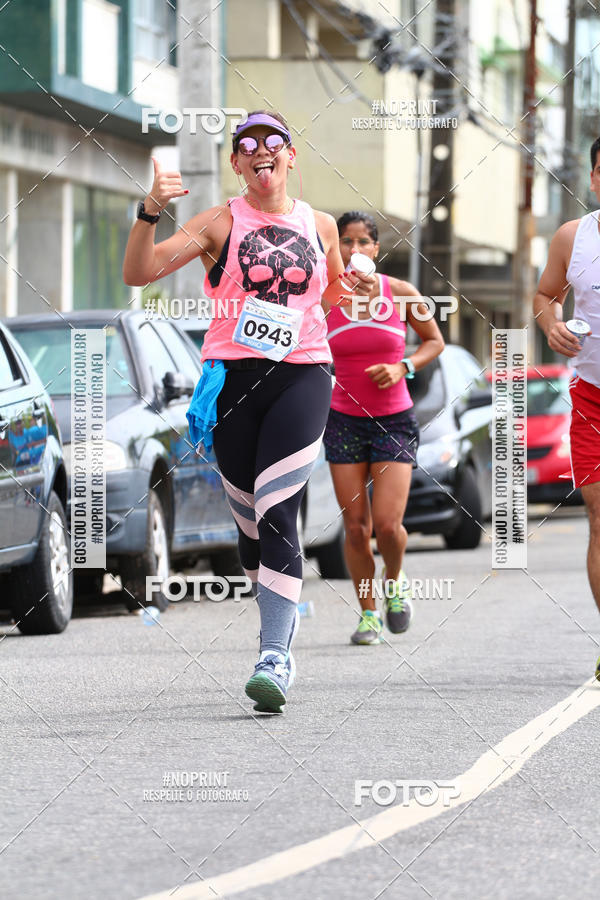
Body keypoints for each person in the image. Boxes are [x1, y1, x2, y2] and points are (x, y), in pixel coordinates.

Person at [123, 110, 374, 712]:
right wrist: (149, 211)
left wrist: (357, 290)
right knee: (250, 531)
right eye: (247, 144)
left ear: (291, 158)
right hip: (232, 381)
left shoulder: (319, 226)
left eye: (274, 142)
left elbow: (329, 294)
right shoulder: (219, 222)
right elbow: (139, 271)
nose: (261, 150)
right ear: (237, 164)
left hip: (303, 375)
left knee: (274, 505)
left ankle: (274, 657)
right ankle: (275, 604)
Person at [324, 211, 445, 645]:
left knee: (388, 526)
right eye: (345, 243)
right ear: (335, 249)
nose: (354, 251)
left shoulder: (402, 292)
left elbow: (435, 342)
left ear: (376, 249)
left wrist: (403, 367)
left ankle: (395, 582)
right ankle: (368, 614)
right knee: (356, 528)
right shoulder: (325, 298)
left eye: (363, 243)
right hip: (341, 419)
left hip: (393, 420)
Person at [533, 136, 600, 680]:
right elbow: (545, 294)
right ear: (594, 177)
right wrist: (551, 322)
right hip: (592, 395)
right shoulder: (573, 238)